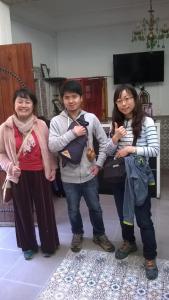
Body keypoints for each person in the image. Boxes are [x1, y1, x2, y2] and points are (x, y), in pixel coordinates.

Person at [49, 80, 114, 253]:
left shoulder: (91, 118)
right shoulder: (56, 121)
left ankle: (99, 234)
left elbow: (105, 142)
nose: (71, 101)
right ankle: (77, 233)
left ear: (81, 98)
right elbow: (53, 146)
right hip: (68, 178)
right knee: (72, 210)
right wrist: (73, 133)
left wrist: (99, 164)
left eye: (74, 97)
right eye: (67, 97)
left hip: (89, 175)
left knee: (95, 208)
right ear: (62, 99)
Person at [106, 84, 159, 280]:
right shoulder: (117, 123)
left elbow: (154, 150)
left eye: (127, 98)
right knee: (123, 214)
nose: (124, 103)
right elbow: (109, 152)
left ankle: (150, 256)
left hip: (138, 177)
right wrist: (115, 138)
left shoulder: (146, 121)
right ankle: (129, 241)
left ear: (135, 99)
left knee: (143, 218)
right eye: (119, 100)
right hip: (120, 178)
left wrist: (130, 149)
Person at [0, 88, 59, 260]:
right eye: (20, 101)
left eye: (27, 102)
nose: (23, 105)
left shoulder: (41, 125)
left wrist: (52, 168)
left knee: (45, 210)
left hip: (40, 173)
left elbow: (49, 150)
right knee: (23, 211)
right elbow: (1, 153)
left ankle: (49, 244)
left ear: (33, 105)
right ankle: (28, 246)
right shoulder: (5, 128)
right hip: (18, 175)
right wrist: (9, 166)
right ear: (14, 104)